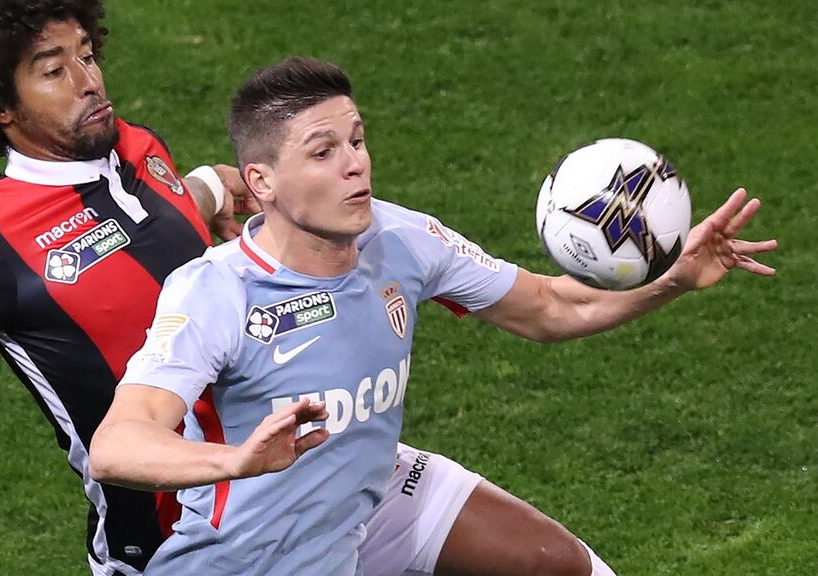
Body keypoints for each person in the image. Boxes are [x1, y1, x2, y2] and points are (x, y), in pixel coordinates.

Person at [0, 3, 604, 576]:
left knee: (553, 560)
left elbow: (189, 204)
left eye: (86, 55)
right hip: (182, 538)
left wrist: (245, 185)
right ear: (0, 108)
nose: (89, 82)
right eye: (54, 70)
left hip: (320, 470)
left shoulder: (140, 152)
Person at [89, 57, 777, 576]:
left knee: (554, 561)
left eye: (356, 140)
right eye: (324, 153)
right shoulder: (216, 291)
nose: (356, 165)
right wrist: (237, 459)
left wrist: (676, 278)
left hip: (366, 491)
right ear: (261, 182)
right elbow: (117, 446)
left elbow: (549, 305)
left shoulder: (402, 240)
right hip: (252, 557)